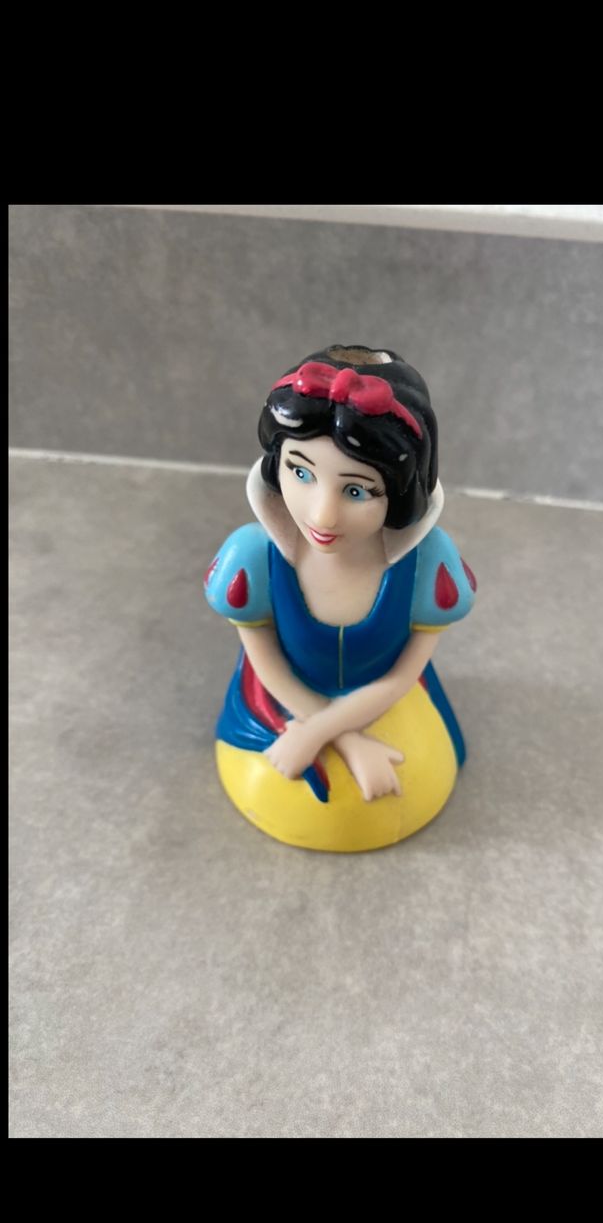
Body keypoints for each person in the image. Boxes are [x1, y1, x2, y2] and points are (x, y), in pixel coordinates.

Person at [203, 343, 477, 851]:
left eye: (356, 491)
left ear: (399, 493)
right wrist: (342, 740)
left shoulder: (426, 562)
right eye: (301, 473)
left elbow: (404, 674)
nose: (322, 515)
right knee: (289, 785)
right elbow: (262, 661)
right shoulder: (253, 555)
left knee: (405, 781)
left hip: (389, 701)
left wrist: (317, 734)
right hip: (281, 700)